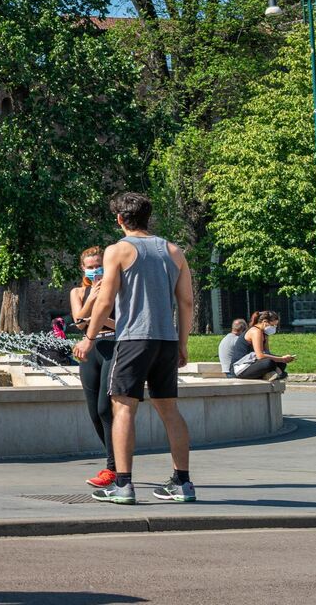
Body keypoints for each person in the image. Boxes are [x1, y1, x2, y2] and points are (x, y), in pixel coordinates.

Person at [75, 192, 195, 504]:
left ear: (119, 219)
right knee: (169, 409)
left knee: (124, 406)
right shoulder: (174, 251)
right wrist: (182, 342)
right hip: (166, 340)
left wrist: (89, 337)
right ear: (148, 216)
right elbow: (186, 302)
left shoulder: (118, 250)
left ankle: (124, 484)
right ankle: (182, 482)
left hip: (132, 339)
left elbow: (104, 299)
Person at [68, 245, 118, 488]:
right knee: (93, 412)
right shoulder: (77, 292)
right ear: (83, 269)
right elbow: (78, 322)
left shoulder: (116, 288)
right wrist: (93, 300)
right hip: (91, 350)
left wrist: (97, 319)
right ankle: (115, 460)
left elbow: (120, 324)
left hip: (112, 346)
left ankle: (113, 468)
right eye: (90, 267)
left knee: (104, 408)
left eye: (99, 265)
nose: (95, 270)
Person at [231, 311, 295, 381]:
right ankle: (273, 374)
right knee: (269, 363)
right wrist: (282, 359)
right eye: (273, 325)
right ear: (265, 322)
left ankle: (271, 374)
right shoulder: (255, 331)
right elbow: (260, 356)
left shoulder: (264, 333)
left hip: (252, 362)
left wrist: (282, 360)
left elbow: (266, 353)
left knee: (281, 364)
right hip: (241, 367)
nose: (274, 328)